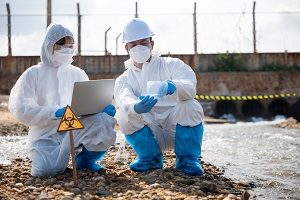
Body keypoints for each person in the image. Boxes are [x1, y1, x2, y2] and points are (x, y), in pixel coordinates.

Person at [8, 24, 117, 177]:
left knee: (103, 120)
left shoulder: (78, 74)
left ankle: (85, 161)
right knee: (44, 172)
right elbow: (20, 108)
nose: (67, 49)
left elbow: (86, 104)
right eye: (61, 45)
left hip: (74, 127)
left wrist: (100, 109)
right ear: (49, 45)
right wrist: (54, 112)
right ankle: (56, 158)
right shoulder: (33, 74)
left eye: (70, 46)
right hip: (45, 133)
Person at [114, 18, 205, 176]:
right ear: (126, 48)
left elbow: (190, 86)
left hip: (176, 129)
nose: (139, 47)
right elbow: (123, 97)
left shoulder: (172, 64)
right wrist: (135, 106)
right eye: (133, 44)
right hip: (149, 131)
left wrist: (173, 86)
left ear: (152, 44)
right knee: (123, 114)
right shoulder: (124, 78)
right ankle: (150, 159)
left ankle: (188, 159)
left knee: (191, 105)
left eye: (143, 42)